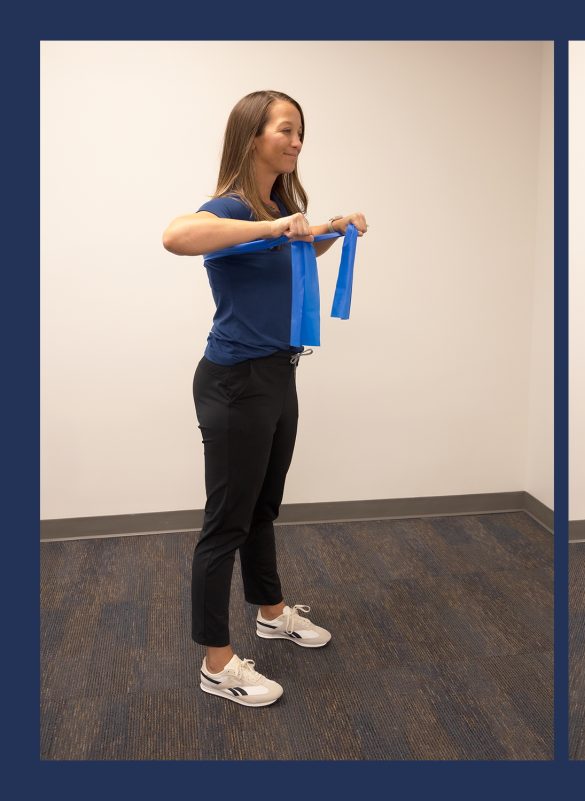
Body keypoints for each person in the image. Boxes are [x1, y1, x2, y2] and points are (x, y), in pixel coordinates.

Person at [162, 90, 368, 707]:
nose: (297, 141)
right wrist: (276, 223)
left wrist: (328, 230)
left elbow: (290, 254)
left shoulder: (279, 206)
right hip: (234, 383)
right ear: (253, 136)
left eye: (301, 131)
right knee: (224, 522)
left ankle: (271, 611)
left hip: (278, 375)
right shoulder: (228, 208)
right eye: (286, 129)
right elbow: (177, 236)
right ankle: (216, 663)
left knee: (262, 508)